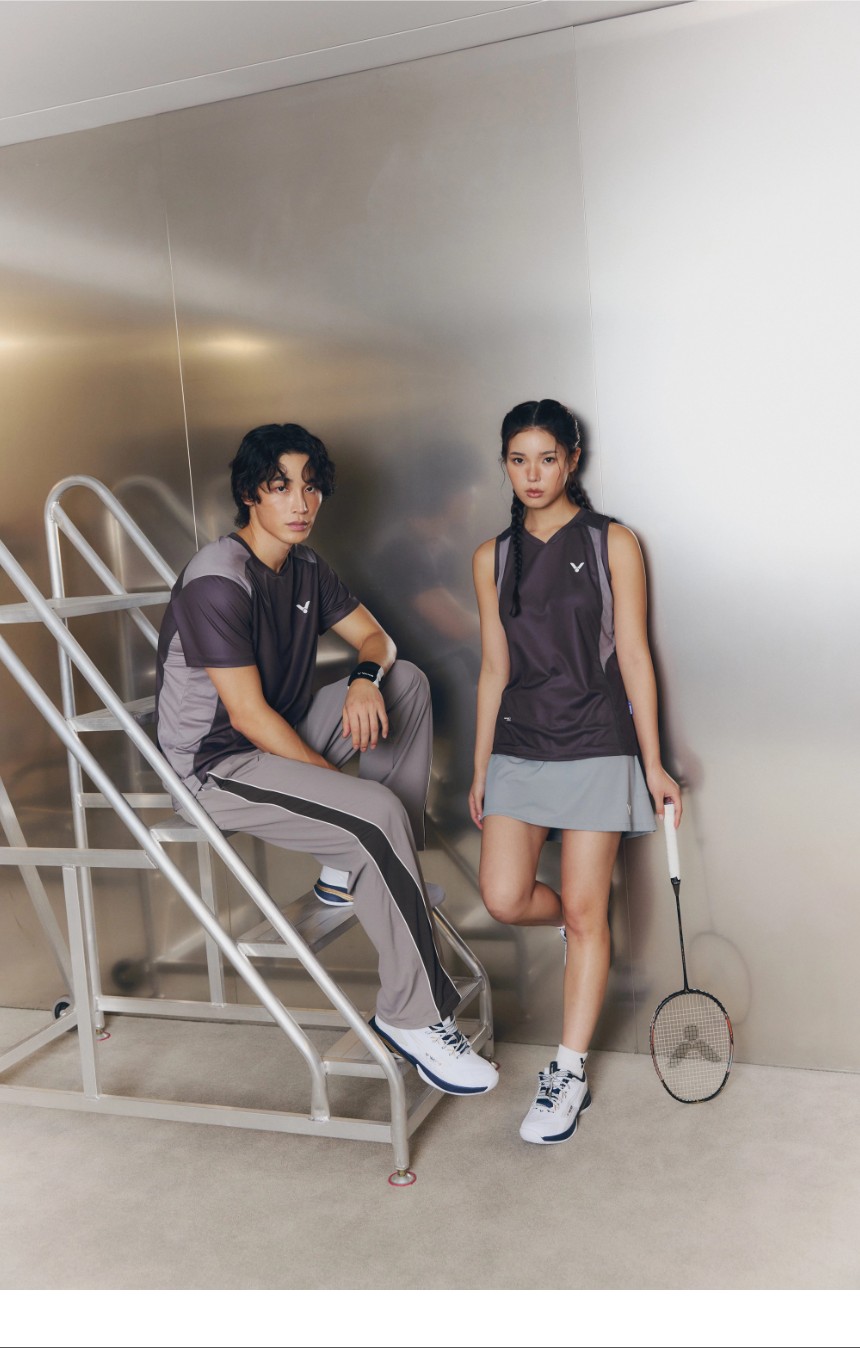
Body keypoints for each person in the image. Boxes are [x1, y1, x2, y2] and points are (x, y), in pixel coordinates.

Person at [155, 422, 498, 1096]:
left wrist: (366, 680)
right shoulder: (218, 581)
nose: (300, 502)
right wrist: (345, 794)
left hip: (274, 733)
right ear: (251, 493)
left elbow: (376, 639)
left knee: (405, 684)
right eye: (281, 486)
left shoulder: (305, 566)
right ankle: (412, 1016)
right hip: (217, 765)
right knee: (371, 812)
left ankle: (357, 868)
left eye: (311, 487)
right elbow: (246, 716)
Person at [470, 399, 680, 1141]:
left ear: (572, 461)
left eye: (547, 458)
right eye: (518, 460)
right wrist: (480, 768)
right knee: (503, 896)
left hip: (596, 742)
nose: (533, 474)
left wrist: (654, 764)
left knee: (590, 915)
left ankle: (567, 1072)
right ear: (506, 464)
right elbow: (493, 668)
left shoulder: (612, 541)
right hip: (519, 744)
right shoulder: (491, 557)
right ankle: (579, 926)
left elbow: (635, 656)